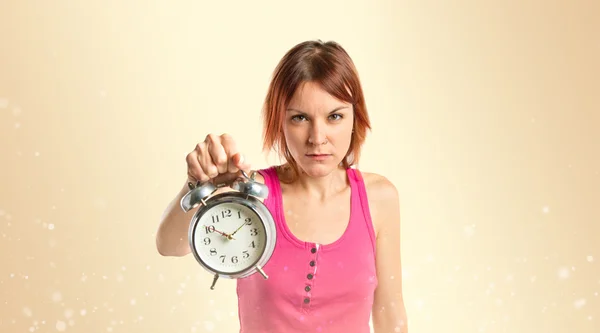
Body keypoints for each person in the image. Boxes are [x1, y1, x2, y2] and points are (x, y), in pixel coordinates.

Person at [156, 39, 408, 333]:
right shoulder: (254, 195)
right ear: (281, 121)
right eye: (300, 118)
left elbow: (389, 311)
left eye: (334, 116)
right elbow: (170, 245)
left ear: (355, 118)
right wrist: (197, 184)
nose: (317, 137)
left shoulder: (379, 198)